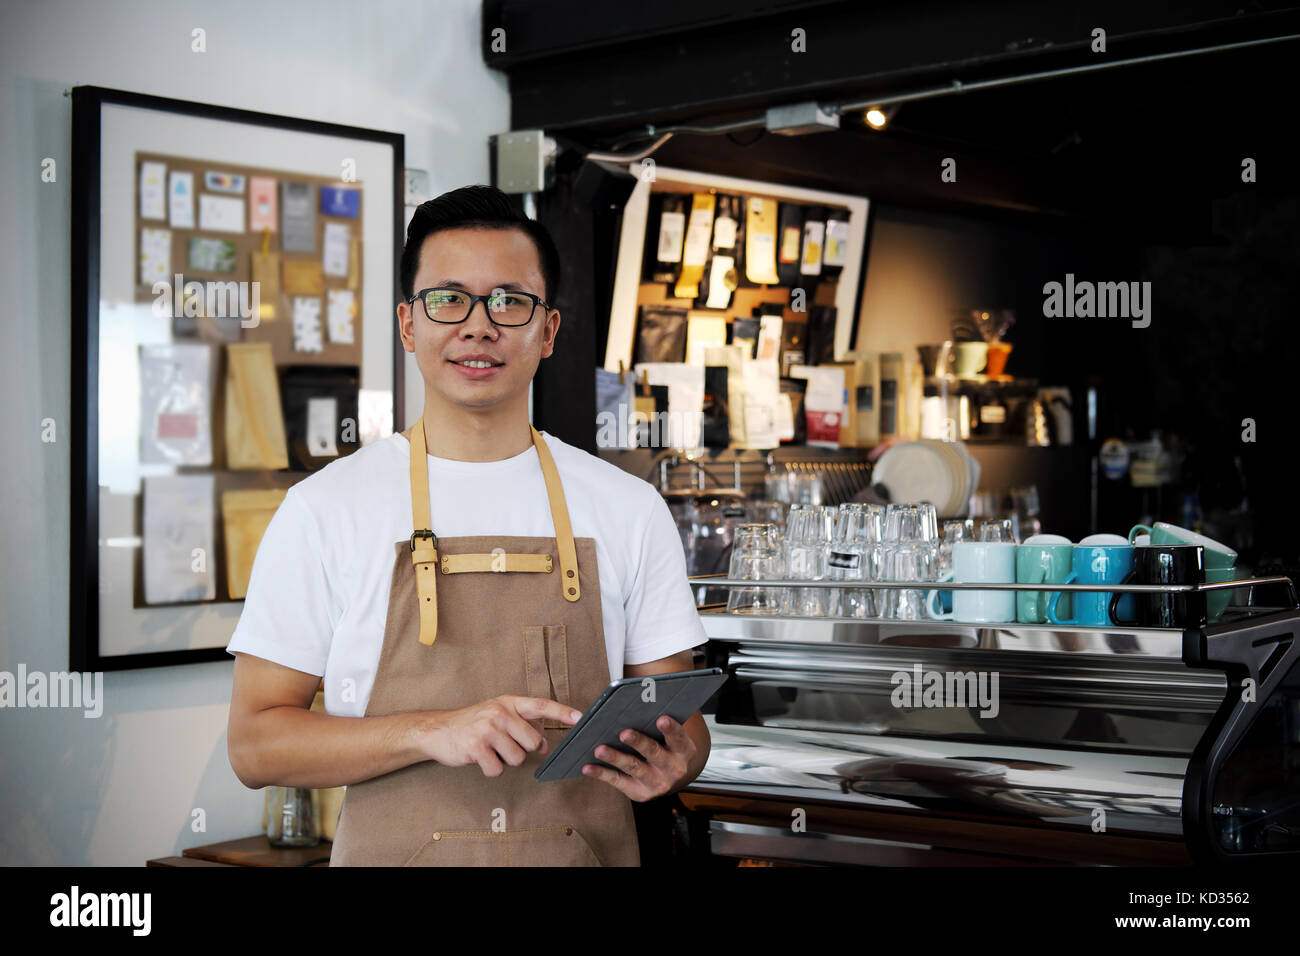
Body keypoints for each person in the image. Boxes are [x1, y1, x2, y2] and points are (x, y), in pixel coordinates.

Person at [226, 184, 710, 866]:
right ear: (407, 325)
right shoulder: (324, 508)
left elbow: (685, 729)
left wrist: (674, 765)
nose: (478, 326)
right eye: (448, 299)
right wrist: (432, 731)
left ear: (548, 332)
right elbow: (254, 745)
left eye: (510, 302)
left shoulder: (628, 507)